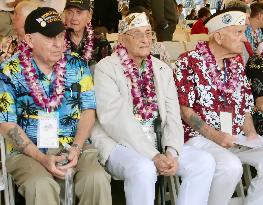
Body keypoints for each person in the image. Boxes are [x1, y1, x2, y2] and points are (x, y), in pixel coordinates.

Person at [91, 12, 216, 205]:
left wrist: (172, 153)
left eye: (148, 33)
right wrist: (153, 155)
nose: (145, 40)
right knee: (144, 168)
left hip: (158, 142)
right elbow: (115, 120)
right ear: (123, 39)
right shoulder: (106, 68)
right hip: (119, 144)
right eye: (137, 34)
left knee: (203, 162)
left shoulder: (161, 68)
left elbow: (173, 115)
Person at [0, 7, 111, 205]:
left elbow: (88, 111)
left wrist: (76, 148)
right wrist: (42, 158)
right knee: (40, 184)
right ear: (29, 40)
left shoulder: (77, 66)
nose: (58, 44)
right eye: (50, 37)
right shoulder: (10, 71)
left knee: (96, 179)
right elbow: (7, 125)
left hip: (73, 145)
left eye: (61, 36)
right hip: (28, 151)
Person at [174, 8, 263, 205]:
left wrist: (251, 134)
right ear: (219, 36)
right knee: (231, 167)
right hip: (199, 137)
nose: (245, 39)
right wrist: (216, 135)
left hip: (234, 137)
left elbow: (245, 105)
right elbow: (185, 111)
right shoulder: (188, 62)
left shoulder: (237, 63)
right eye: (238, 33)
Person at [64, 0, 112, 70]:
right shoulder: (57, 39)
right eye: (69, 12)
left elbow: (110, 70)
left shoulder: (100, 40)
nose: (74, 18)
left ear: (89, 17)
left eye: (79, 12)